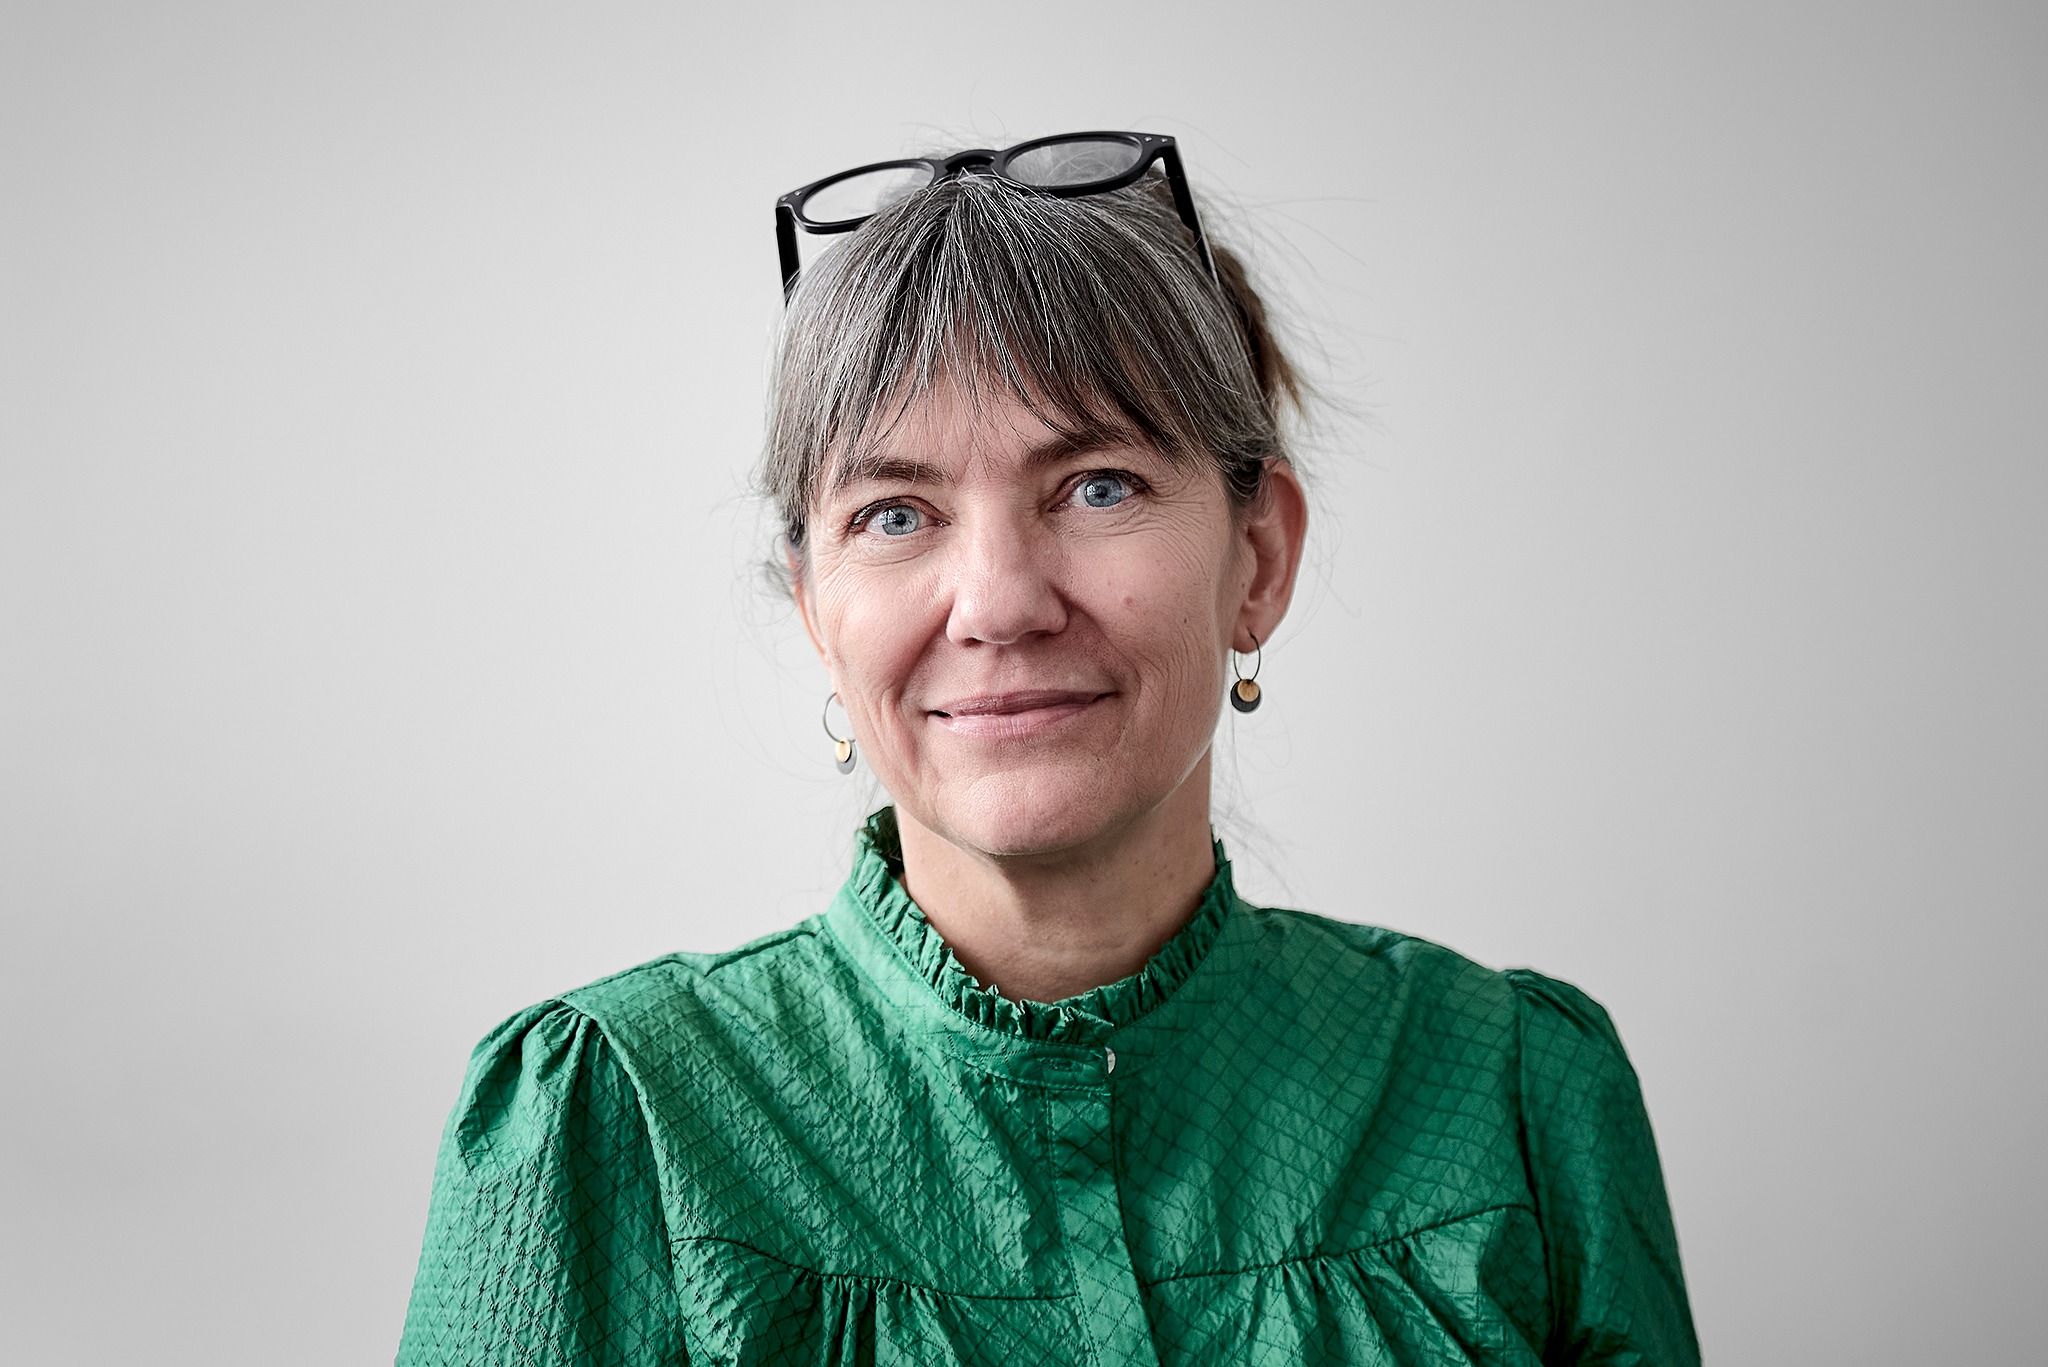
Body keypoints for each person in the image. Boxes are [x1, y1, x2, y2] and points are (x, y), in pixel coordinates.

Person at [396, 131, 1699, 1366]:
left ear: (1259, 557)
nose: (1001, 602)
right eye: (895, 512)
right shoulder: (612, 1122)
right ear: (815, 608)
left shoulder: (1517, 1099)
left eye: (1098, 486)